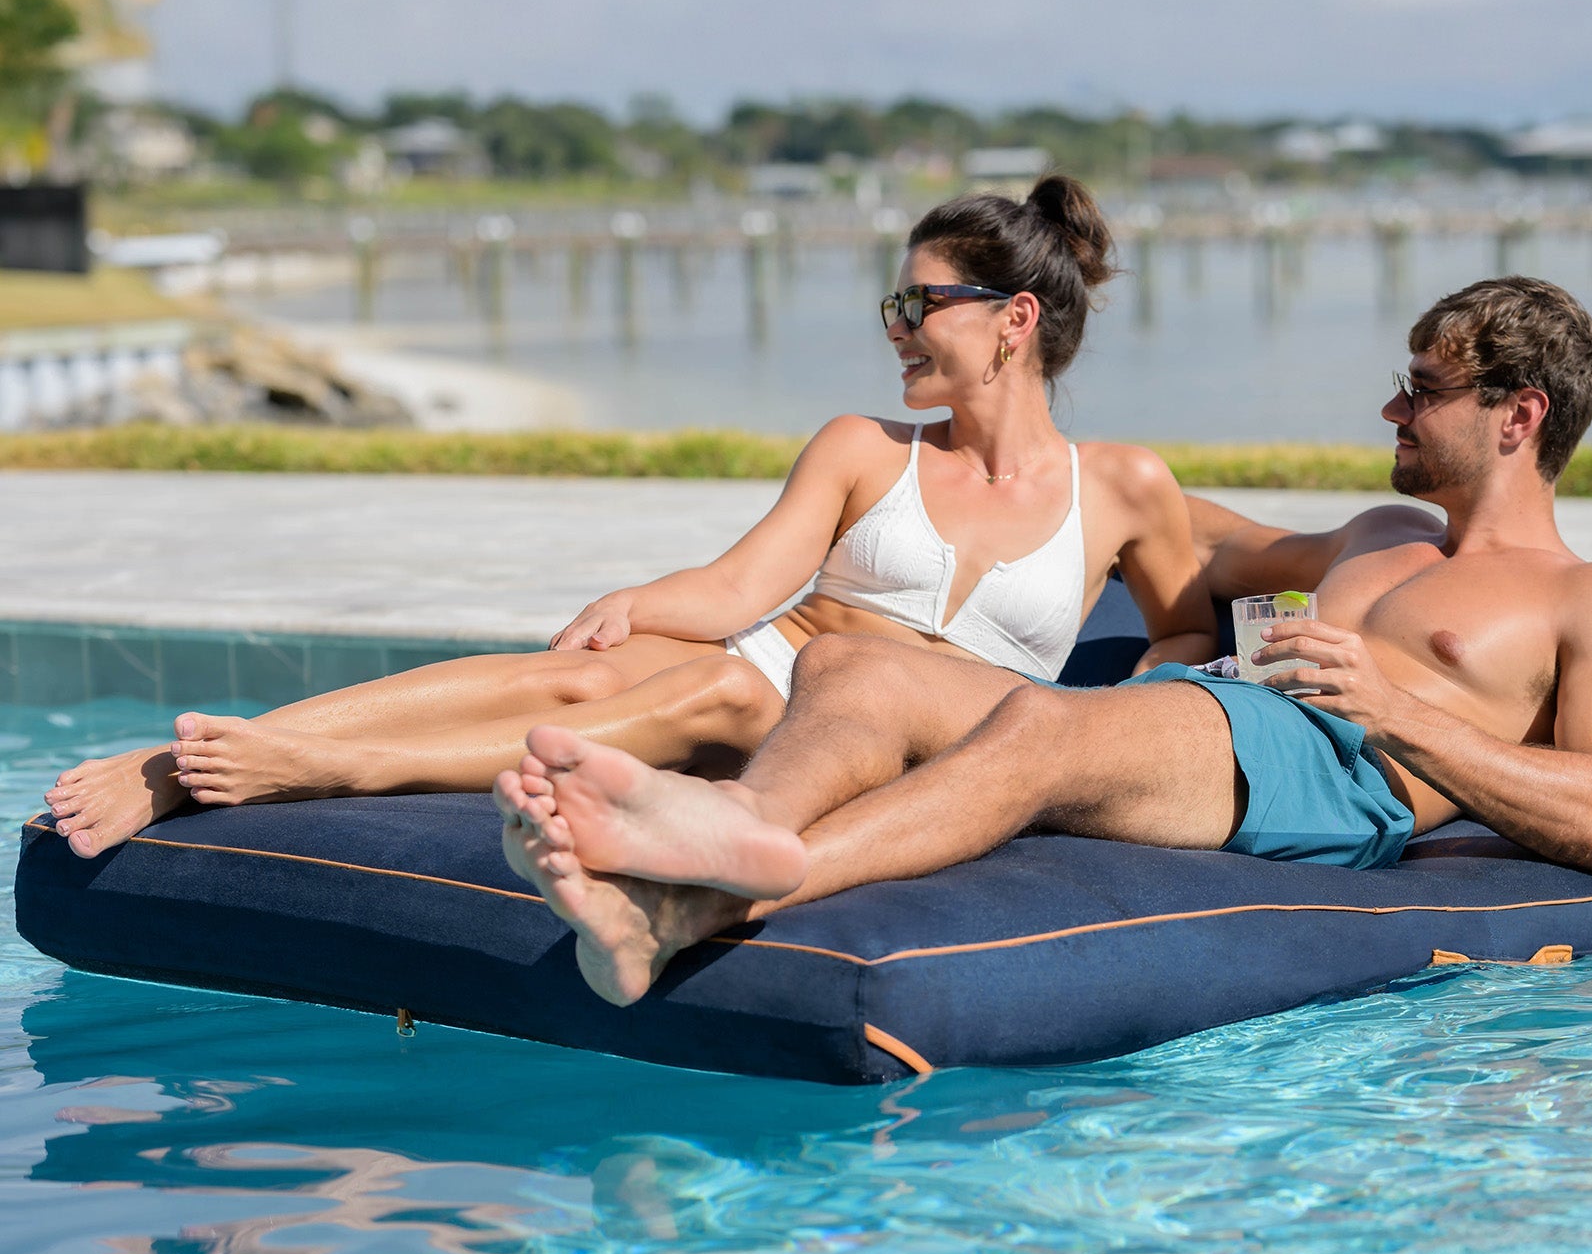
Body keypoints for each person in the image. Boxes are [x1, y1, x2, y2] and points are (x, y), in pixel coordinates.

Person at [492, 275, 1592, 1010]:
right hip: (1223, 720)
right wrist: (1060, 494)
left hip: (1335, 776)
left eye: (1422, 391)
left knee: (1040, 728)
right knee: (851, 663)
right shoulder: (1378, 531)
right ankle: (734, 835)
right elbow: (1202, 544)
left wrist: (1402, 711)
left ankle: (706, 903)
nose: (1391, 411)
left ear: (1518, 417)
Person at [44, 177, 1216, 858]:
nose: (895, 324)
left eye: (919, 300)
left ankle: (324, 767)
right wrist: (635, 606)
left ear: (1013, 320)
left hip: (875, 720)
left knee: (709, 691)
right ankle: (185, 758)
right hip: (774, 664)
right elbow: (740, 588)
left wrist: (1098, 720)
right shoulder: (866, 448)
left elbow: (1182, 628)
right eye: (889, 300)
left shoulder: (1124, 489)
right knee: (578, 675)